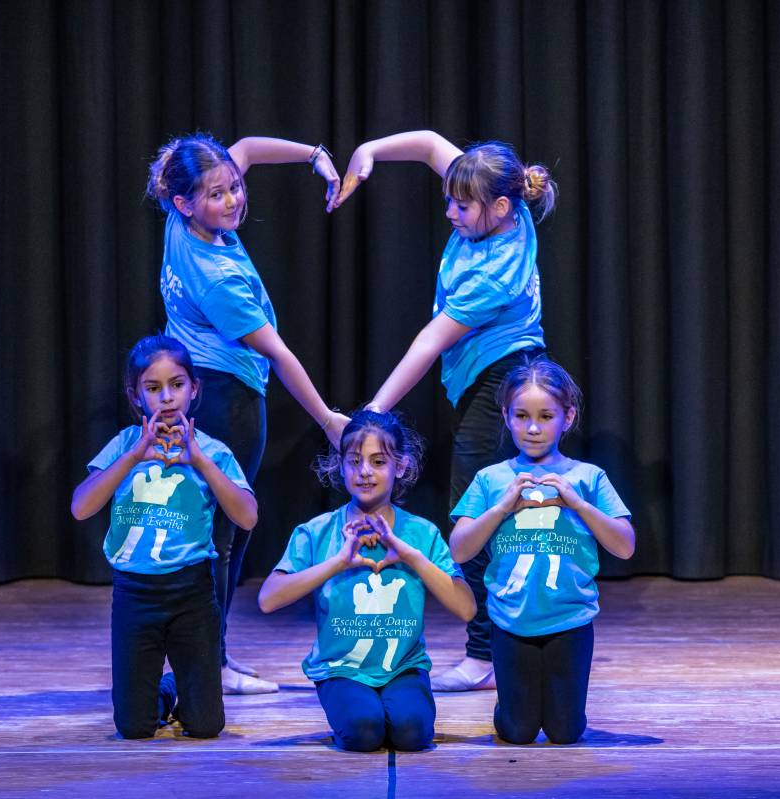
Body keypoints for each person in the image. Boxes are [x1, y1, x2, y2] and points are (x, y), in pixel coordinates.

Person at [331, 131, 558, 691]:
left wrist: (372, 411)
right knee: (482, 510)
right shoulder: (502, 200)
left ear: (500, 209)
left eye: (462, 205)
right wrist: (370, 152)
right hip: (479, 378)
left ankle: (484, 654)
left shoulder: (497, 270)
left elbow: (430, 341)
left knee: (477, 514)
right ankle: (501, 648)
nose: (451, 212)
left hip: (502, 379)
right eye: (449, 201)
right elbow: (432, 145)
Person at [145, 133, 351, 694]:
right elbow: (279, 353)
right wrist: (329, 421)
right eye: (217, 194)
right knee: (221, 537)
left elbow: (248, 146)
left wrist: (316, 157)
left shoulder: (181, 217)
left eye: (234, 187)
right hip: (224, 401)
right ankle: (208, 664)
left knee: (213, 533)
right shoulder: (216, 276)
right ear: (185, 201)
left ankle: (204, 659)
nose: (233, 199)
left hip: (203, 394)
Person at [71, 335, 257, 739]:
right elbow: (81, 506)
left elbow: (246, 517)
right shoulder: (125, 445)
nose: (167, 398)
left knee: (206, 726)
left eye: (177, 385)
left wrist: (201, 462)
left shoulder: (212, 451)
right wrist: (135, 456)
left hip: (191, 593)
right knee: (134, 727)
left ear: (195, 389)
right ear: (136, 396)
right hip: (135, 594)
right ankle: (161, 690)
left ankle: (179, 683)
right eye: (153, 389)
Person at [258, 411, 476, 752]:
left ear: (400, 467)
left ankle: (395, 705)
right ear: (340, 465)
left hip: (402, 666)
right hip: (341, 668)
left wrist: (410, 555)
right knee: (363, 731)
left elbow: (465, 608)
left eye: (377, 461)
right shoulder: (318, 532)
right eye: (355, 461)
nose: (364, 472)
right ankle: (355, 708)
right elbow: (269, 599)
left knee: (412, 733)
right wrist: (338, 562)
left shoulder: (421, 533)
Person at [449, 357, 634, 744]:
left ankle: (554, 703)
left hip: (570, 622)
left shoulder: (587, 477)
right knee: (518, 732)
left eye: (546, 416)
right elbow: (461, 550)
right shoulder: (491, 479)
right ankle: (511, 704)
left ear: (567, 417)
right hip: (510, 622)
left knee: (565, 732)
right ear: (506, 416)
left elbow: (624, 545)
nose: (532, 428)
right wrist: (502, 507)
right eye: (521, 415)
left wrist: (577, 504)